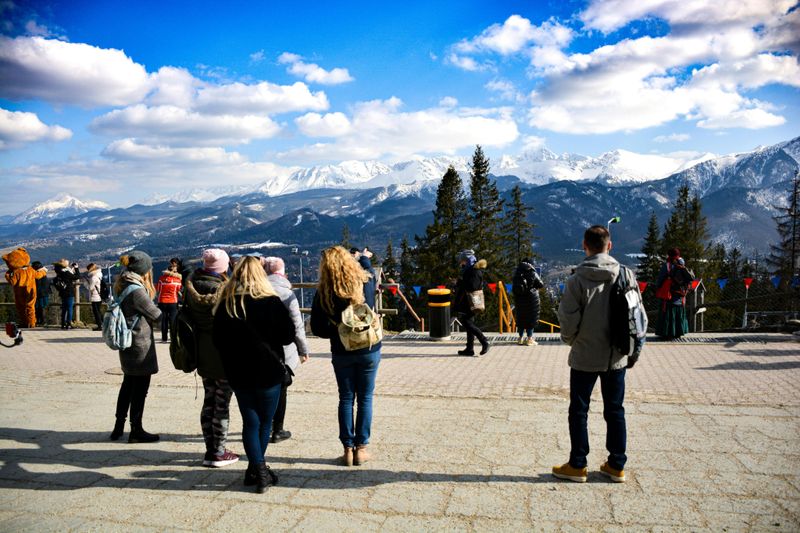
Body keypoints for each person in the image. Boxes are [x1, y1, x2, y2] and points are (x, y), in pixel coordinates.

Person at [553, 225, 644, 483]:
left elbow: (568, 319)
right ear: (610, 246)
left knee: (578, 410)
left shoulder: (576, 280)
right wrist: (634, 350)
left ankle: (578, 465)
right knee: (615, 410)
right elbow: (638, 317)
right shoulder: (627, 275)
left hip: (584, 355)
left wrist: (572, 341)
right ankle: (616, 465)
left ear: (585, 246)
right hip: (616, 355)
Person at [212, 256, 295, 493]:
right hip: (268, 371)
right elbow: (288, 336)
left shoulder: (226, 304)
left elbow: (218, 341)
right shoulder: (270, 302)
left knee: (250, 422)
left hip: (238, 372)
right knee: (265, 422)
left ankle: (254, 469)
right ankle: (259, 470)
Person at [311, 246, 381, 467]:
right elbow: (370, 273)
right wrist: (364, 259)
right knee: (366, 398)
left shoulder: (324, 291)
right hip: (368, 348)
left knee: (346, 398)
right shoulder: (365, 283)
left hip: (341, 351)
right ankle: (362, 448)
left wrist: (339, 331)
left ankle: (347, 450)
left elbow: (317, 328)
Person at [185, 248, 239, 468]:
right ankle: (219, 451)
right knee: (222, 403)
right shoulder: (226, 291)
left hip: (203, 351)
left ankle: (210, 448)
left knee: (209, 400)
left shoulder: (192, 286)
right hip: (225, 353)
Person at [109, 251, 163, 443]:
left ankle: (118, 427)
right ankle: (136, 430)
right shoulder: (137, 291)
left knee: (127, 386)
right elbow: (157, 316)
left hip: (127, 344)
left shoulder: (121, 283)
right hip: (139, 345)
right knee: (140, 389)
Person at [263, 256, 310, 443]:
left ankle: (263, 425)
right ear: (283, 273)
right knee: (281, 388)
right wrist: (303, 349)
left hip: (260, 348)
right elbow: (298, 324)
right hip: (284, 349)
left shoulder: (257, 289)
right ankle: (277, 429)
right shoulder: (286, 293)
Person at [453, 250, 489, 356]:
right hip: (467, 302)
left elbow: (472, 286)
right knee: (469, 324)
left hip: (470, 301)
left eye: (462, 261)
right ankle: (469, 349)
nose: (461, 264)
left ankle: (484, 341)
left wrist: (460, 283)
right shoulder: (470, 270)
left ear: (467, 260)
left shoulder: (474, 271)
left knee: (466, 323)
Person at [2, 247, 46, 328]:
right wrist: (43, 271)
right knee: (30, 308)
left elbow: (12, 282)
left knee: (21, 309)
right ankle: (32, 323)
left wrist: (7, 275)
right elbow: (38, 275)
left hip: (19, 293)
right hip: (31, 292)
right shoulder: (30, 269)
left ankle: (24, 322)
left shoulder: (16, 272)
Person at [655, 248, 690, 339]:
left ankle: (667, 333)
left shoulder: (666, 266)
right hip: (680, 295)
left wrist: (658, 287)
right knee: (678, 312)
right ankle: (678, 332)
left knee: (667, 313)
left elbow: (660, 281)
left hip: (668, 295)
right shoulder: (682, 265)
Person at [512, 258, 543, 346]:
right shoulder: (532, 273)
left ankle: (520, 338)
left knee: (521, 317)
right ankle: (529, 339)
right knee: (531, 318)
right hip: (531, 299)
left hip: (519, 299)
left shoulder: (517, 273)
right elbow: (541, 284)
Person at [155, 264, 182, 343]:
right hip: (173, 301)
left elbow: (158, 289)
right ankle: (173, 338)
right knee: (173, 320)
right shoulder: (177, 280)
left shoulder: (161, 279)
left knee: (164, 320)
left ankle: (164, 338)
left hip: (162, 301)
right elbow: (178, 290)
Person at [53, 259, 80, 329]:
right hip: (69, 292)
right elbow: (77, 277)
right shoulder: (66, 273)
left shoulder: (59, 272)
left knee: (64, 308)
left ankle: (63, 323)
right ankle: (68, 323)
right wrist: (76, 268)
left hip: (62, 292)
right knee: (70, 308)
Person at [84, 263, 103, 331]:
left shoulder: (93, 277)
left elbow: (90, 288)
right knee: (98, 311)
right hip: (99, 296)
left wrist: (85, 284)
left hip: (95, 296)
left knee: (96, 312)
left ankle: (99, 326)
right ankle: (102, 324)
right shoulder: (98, 275)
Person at [32, 261, 50, 326]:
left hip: (41, 294)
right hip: (43, 293)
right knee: (41, 307)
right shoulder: (43, 272)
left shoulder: (39, 274)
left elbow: (39, 285)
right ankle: (41, 321)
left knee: (40, 307)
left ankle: (41, 321)